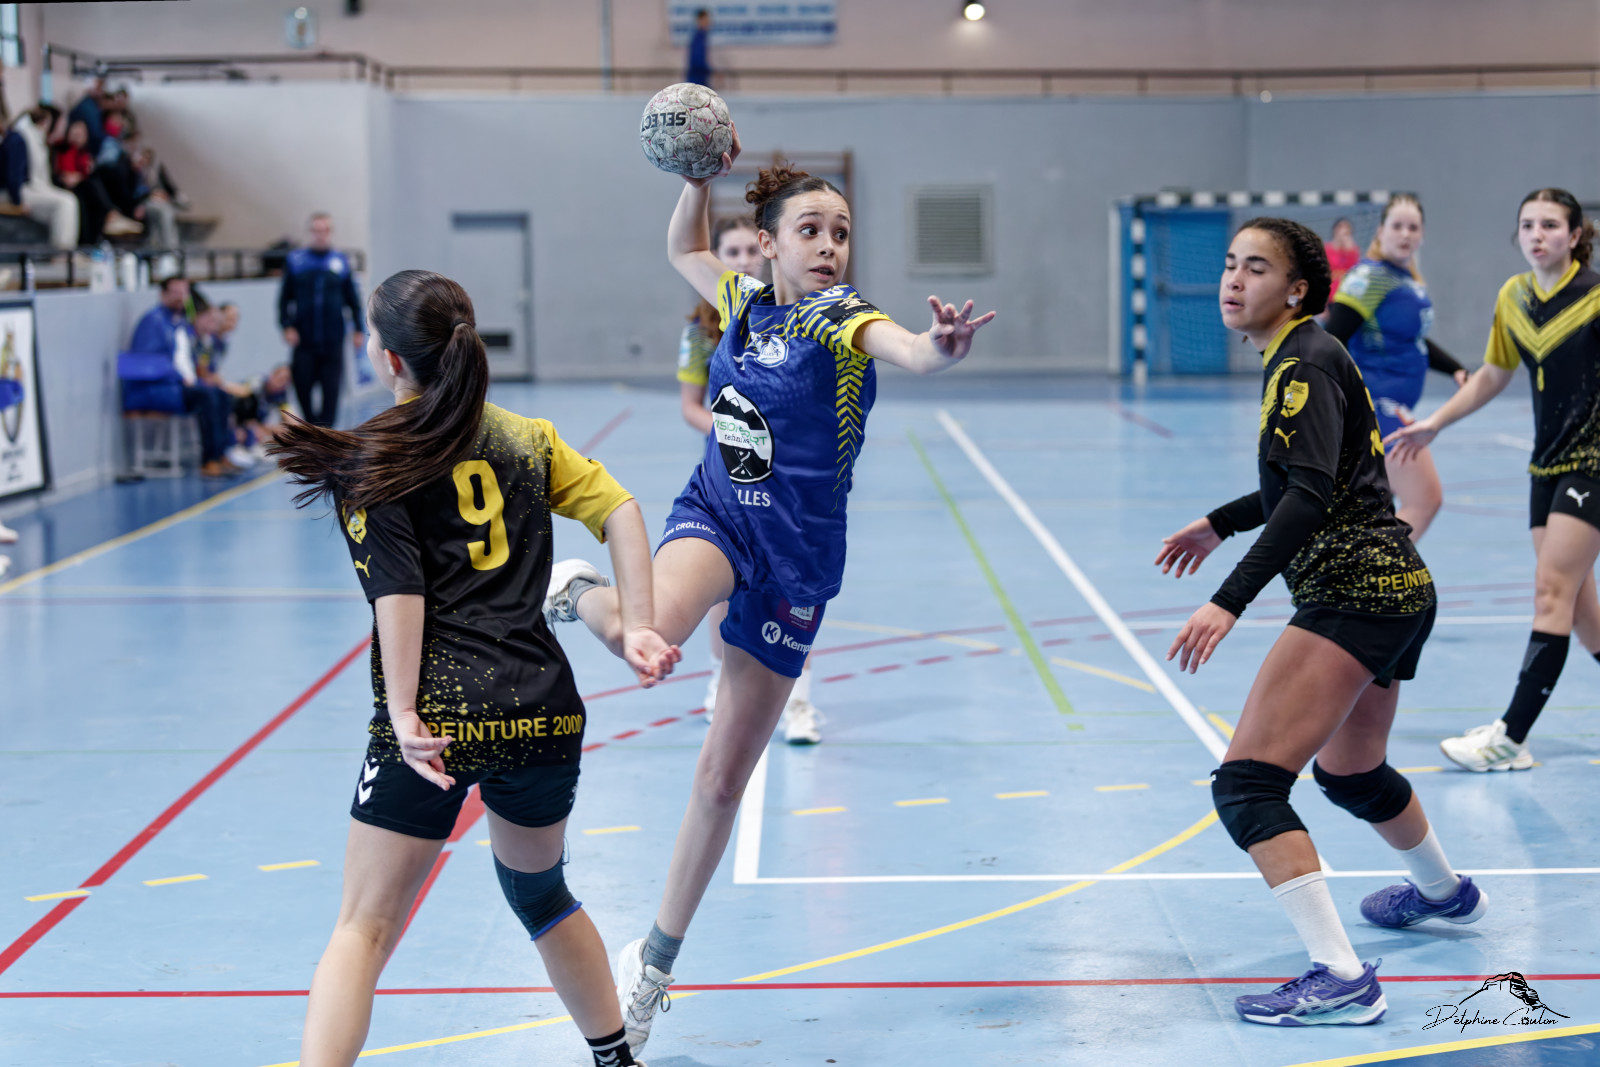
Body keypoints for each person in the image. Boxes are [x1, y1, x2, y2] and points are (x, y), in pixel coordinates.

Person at [543, 138, 995, 1055]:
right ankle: (579, 588)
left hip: (797, 561)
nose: (829, 245)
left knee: (723, 777)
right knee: (645, 629)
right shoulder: (742, 300)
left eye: (842, 232)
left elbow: (908, 347)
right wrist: (695, 182)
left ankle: (653, 966)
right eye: (811, 230)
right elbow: (683, 247)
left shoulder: (841, 318)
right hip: (717, 515)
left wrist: (940, 348)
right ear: (772, 242)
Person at [268, 269, 677, 1067]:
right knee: (542, 895)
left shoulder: (380, 456)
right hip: (542, 711)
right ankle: (615, 1058)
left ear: (387, 357)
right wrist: (639, 624)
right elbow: (621, 507)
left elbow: (401, 596)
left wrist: (403, 713)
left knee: (363, 928)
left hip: (440, 721)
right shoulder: (526, 438)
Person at [1156, 218, 1482, 1027]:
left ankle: (1340, 977)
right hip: (1399, 587)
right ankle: (1445, 892)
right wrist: (1221, 521)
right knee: (1350, 773)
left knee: (1248, 784)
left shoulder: (1302, 360)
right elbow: (1313, 478)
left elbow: (1306, 497)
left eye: (1256, 268)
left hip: (1353, 593)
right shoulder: (1305, 353)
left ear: (1297, 288)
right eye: (1229, 264)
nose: (1234, 279)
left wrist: (1227, 598)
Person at [1388, 189, 1600, 772]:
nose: (1536, 235)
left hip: (1593, 462)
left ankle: (1511, 738)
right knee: (1579, 604)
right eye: (1527, 225)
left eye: (1550, 225)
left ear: (1575, 236)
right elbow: (1492, 375)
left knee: (1551, 591)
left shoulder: (1595, 297)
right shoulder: (1514, 296)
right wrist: (1435, 422)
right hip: (1547, 463)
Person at [678, 217, 825, 743]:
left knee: (795, 590)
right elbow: (691, 407)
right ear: (716, 256)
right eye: (732, 251)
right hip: (729, 475)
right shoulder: (701, 329)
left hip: (788, 489)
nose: (743, 260)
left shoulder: (802, 318)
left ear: (764, 252)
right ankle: (718, 681)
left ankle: (800, 702)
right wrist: (740, 432)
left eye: (749, 250)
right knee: (722, 592)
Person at [1323, 195, 1467, 541]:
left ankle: (1363, 570)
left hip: (1393, 406)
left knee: (1376, 510)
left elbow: (1413, 341)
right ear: (1380, 231)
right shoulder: (1370, 278)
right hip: (1378, 408)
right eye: (1397, 226)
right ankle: (1376, 571)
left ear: (1422, 234)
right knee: (1424, 499)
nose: (1405, 234)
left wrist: (1455, 369)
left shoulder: (1404, 279)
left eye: (1412, 227)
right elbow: (1331, 339)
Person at [128, 276, 236, 477]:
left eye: (183, 292)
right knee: (207, 396)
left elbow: (189, 358)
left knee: (222, 395)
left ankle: (221, 454)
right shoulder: (153, 321)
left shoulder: (181, 323)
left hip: (176, 386)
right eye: (175, 292)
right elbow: (144, 363)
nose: (180, 297)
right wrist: (180, 377)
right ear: (163, 294)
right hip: (153, 389)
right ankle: (208, 460)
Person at [279, 212, 365, 427]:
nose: (320, 235)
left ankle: (326, 433)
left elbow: (352, 299)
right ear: (310, 232)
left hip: (332, 340)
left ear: (330, 233)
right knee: (302, 385)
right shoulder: (296, 261)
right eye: (316, 230)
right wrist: (287, 326)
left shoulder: (340, 261)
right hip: (304, 340)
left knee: (331, 390)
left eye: (324, 230)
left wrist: (358, 329)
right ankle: (311, 427)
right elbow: (284, 299)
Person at [53, 118, 140, 243]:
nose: (78, 137)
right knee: (92, 185)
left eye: (81, 134)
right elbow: (65, 173)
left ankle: (105, 224)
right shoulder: (64, 149)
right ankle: (112, 215)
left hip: (81, 186)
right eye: (76, 133)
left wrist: (83, 174)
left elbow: (84, 172)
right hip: (66, 186)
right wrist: (77, 176)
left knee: (96, 186)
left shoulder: (84, 153)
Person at [10, 105, 77, 250]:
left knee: (70, 198)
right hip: (20, 192)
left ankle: (66, 250)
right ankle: (61, 252)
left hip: (31, 189)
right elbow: (13, 175)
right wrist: (18, 202)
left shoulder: (39, 141)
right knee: (65, 203)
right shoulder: (19, 137)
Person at [1324, 217, 1360, 292]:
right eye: (1340, 227)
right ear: (1335, 230)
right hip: (1330, 292)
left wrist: (1350, 251)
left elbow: (1354, 271)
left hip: (1346, 292)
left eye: (1347, 228)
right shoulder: (1326, 249)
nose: (1344, 231)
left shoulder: (1353, 250)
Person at [685, 8, 713, 88]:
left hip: (699, 80)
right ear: (700, 20)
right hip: (697, 81)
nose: (708, 22)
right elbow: (697, 62)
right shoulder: (698, 38)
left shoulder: (702, 37)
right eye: (706, 20)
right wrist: (711, 71)